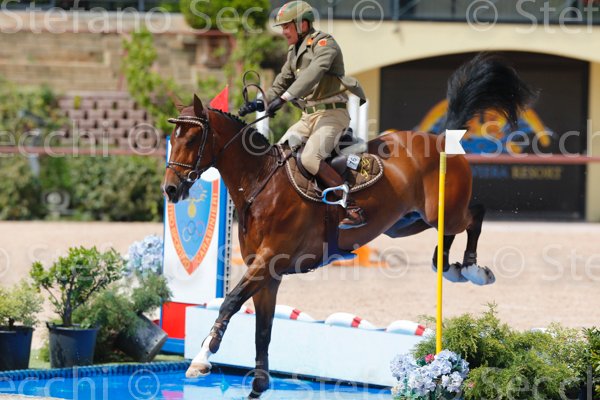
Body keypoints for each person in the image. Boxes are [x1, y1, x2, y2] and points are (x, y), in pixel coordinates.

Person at [239, 0, 368, 229]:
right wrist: (260, 103)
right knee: (277, 157)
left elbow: (313, 73)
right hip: (308, 118)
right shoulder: (294, 51)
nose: (283, 32)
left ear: (303, 24)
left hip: (332, 115)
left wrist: (284, 99)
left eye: (287, 26)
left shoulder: (325, 44)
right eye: (282, 27)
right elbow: (280, 83)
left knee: (310, 158)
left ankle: (352, 207)